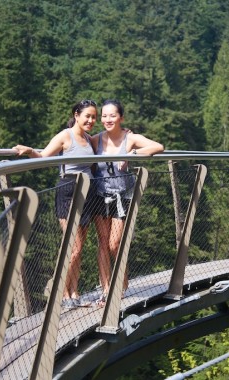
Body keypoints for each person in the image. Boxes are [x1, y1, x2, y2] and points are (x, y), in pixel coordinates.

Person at [13, 99, 98, 309]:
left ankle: (74, 291)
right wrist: (30, 150)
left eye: (93, 117)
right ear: (76, 115)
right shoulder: (65, 135)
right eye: (87, 116)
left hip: (88, 193)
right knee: (74, 247)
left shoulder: (89, 139)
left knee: (80, 247)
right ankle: (60, 292)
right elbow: (42, 156)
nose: (91, 120)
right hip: (69, 191)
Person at [91, 99, 164, 306]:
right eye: (104, 116)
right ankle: (106, 290)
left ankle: (121, 280)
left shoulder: (129, 138)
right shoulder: (96, 140)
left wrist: (132, 153)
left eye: (112, 115)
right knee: (103, 244)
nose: (107, 119)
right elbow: (77, 143)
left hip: (121, 197)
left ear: (121, 117)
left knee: (115, 244)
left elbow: (158, 147)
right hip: (99, 195)